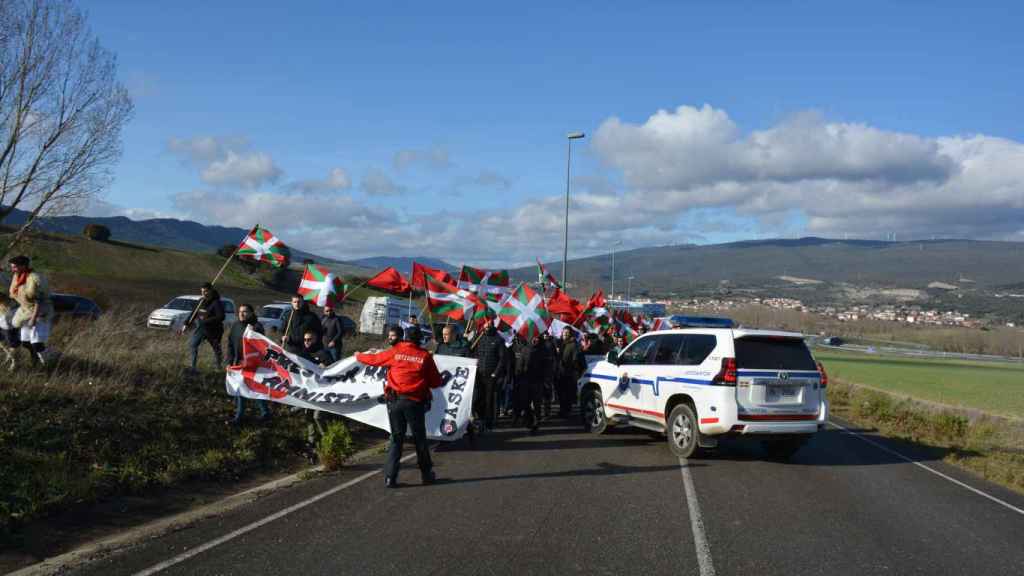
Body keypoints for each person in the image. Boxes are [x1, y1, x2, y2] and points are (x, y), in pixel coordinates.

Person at [356, 325, 443, 488]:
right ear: (420, 340)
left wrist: (358, 355)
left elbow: (374, 360)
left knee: (396, 439)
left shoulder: (395, 351)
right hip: (415, 403)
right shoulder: (424, 356)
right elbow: (436, 382)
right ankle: (426, 475)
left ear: (404, 337)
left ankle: (390, 477)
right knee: (419, 440)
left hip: (395, 402)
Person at [226, 304, 270, 425]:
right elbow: (230, 344)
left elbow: (261, 346)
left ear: (251, 313)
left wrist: (253, 331)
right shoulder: (235, 326)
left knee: (248, 388)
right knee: (244, 388)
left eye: (245, 311)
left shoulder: (256, 326)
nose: (241, 314)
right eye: (240, 311)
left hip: (252, 364)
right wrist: (229, 361)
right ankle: (261, 413)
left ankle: (242, 416)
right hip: (238, 362)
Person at [7, 255, 53, 367]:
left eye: (15, 267)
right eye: (12, 267)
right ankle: (35, 360)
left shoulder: (35, 278)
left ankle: (49, 363)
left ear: (23, 266)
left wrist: (33, 318)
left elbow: (40, 301)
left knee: (36, 343)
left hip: (40, 312)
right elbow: (15, 295)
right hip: (25, 312)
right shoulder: (17, 277)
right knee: (26, 342)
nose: (12, 269)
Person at [298, 329, 332, 460]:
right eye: (305, 340)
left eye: (309, 339)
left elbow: (333, 369)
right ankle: (311, 443)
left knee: (318, 416)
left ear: (315, 340)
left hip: (322, 393)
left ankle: (327, 439)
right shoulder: (302, 354)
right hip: (308, 392)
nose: (307, 342)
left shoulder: (323, 353)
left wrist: (325, 367)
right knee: (308, 417)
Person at [180, 282, 225, 372]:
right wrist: (186, 324)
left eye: (206, 291)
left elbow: (221, 316)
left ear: (211, 291)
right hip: (201, 329)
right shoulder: (201, 301)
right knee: (192, 345)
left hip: (214, 331)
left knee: (216, 349)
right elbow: (194, 313)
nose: (203, 293)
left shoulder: (216, 302)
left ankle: (218, 367)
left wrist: (206, 321)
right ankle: (193, 367)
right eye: (202, 291)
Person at [472, 322, 506, 431]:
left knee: (489, 400)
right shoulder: (479, 338)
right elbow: (474, 353)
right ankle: (481, 418)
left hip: (491, 376)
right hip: (479, 374)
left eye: (488, 326)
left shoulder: (498, 340)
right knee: (478, 399)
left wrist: (495, 373)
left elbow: (502, 359)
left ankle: (488, 422)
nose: (486, 328)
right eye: (485, 326)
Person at [556, 326, 586, 418]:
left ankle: (567, 411)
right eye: (564, 332)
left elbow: (576, 360)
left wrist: (574, 371)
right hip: (560, 373)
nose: (565, 334)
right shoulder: (560, 344)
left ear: (570, 334)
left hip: (569, 374)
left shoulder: (574, 345)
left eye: (567, 332)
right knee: (560, 394)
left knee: (567, 394)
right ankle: (562, 410)